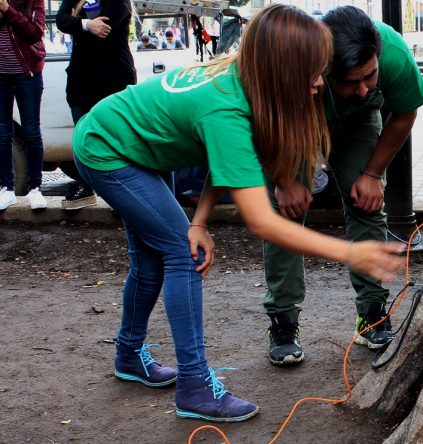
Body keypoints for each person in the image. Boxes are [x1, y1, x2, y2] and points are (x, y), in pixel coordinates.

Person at [72, 4, 404, 423]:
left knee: (155, 258)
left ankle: (128, 354)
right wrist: (350, 253)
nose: (320, 82)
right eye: (313, 72)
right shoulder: (227, 108)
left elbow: (222, 159)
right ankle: (194, 385)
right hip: (108, 149)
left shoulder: (247, 81)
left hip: (133, 144)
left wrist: (199, 221)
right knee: (182, 255)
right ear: (282, 72)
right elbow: (262, 220)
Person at [260, 5, 423, 365]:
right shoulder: (294, 59)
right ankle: (283, 321)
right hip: (296, 120)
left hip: (356, 123)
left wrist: (371, 176)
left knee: (367, 204)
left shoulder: (394, 56)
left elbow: (405, 113)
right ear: (322, 69)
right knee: (285, 213)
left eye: (370, 76)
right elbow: (264, 117)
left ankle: (371, 313)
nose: (365, 88)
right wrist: (284, 179)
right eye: (351, 81)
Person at [56, 0, 135, 210]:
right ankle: (85, 187)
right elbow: (61, 20)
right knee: (83, 138)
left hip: (113, 79)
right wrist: (85, 25)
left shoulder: (121, 2)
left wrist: (77, 22)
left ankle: (125, 197)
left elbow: (103, 29)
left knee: (117, 139)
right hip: (80, 81)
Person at [0, 0, 47, 211]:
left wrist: (7, 10)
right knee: (2, 134)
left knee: (31, 131)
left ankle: (35, 188)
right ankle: (6, 189)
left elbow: (35, 33)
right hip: (0, 77)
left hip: (27, 75)